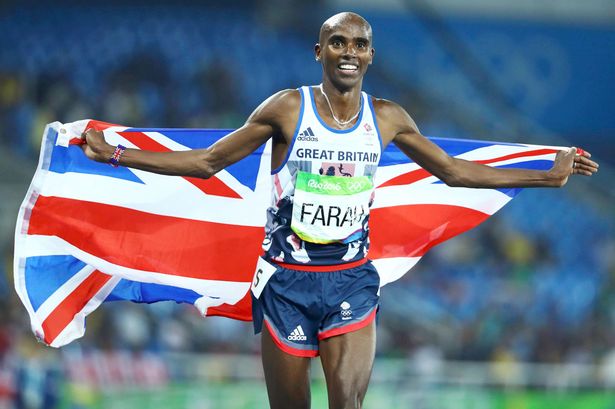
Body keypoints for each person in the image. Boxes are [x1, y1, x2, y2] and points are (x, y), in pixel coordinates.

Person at [81, 12, 599, 409]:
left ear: (371, 56)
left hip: (351, 278)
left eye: (360, 44)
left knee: (348, 403)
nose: (349, 52)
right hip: (286, 282)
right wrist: (118, 153)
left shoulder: (388, 117)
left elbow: (456, 172)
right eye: (338, 42)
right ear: (319, 51)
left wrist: (546, 174)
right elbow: (208, 162)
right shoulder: (286, 108)